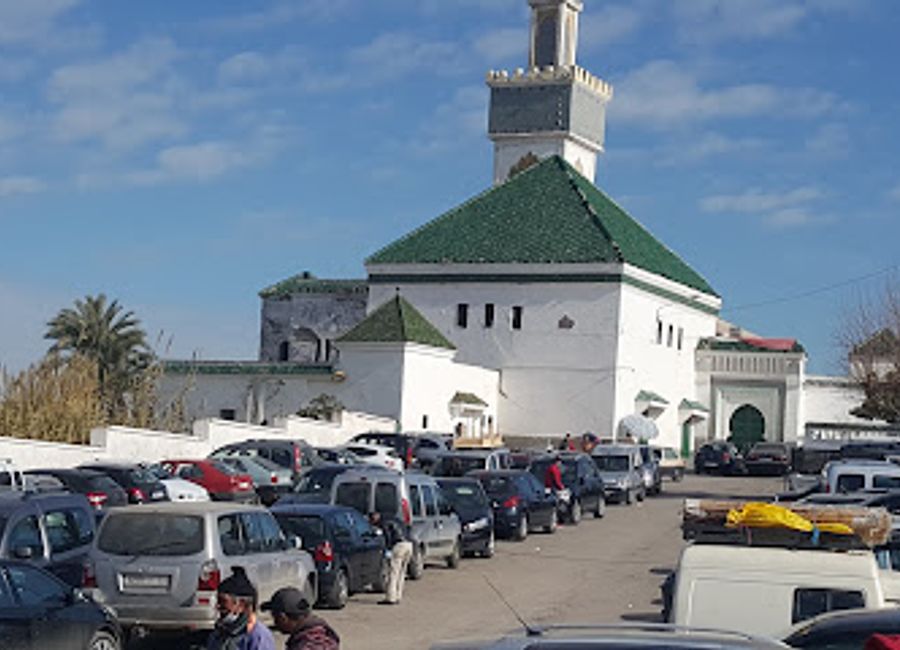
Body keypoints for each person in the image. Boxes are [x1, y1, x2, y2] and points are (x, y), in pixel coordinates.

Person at [207, 567, 276, 650]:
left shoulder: (258, 635)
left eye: (222, 601)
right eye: (218, 601)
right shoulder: (219, 633)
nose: (217, 606)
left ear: (241, 605)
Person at [262, 587, 340, 650]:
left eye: (274, 616)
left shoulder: (308, 644)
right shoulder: (323, 633)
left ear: (283, 618)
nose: (275, 622)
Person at [369, 511, 413, 604]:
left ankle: (391, 598)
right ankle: (398, 596)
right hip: (409, 544)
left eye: (372, 521)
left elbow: (388, 537)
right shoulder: (395, 518)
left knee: (393, 573)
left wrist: (388, 550)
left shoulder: (384, 522)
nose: (373, 523)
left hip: (398, 546)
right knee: (401, 572)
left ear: (375, 516)